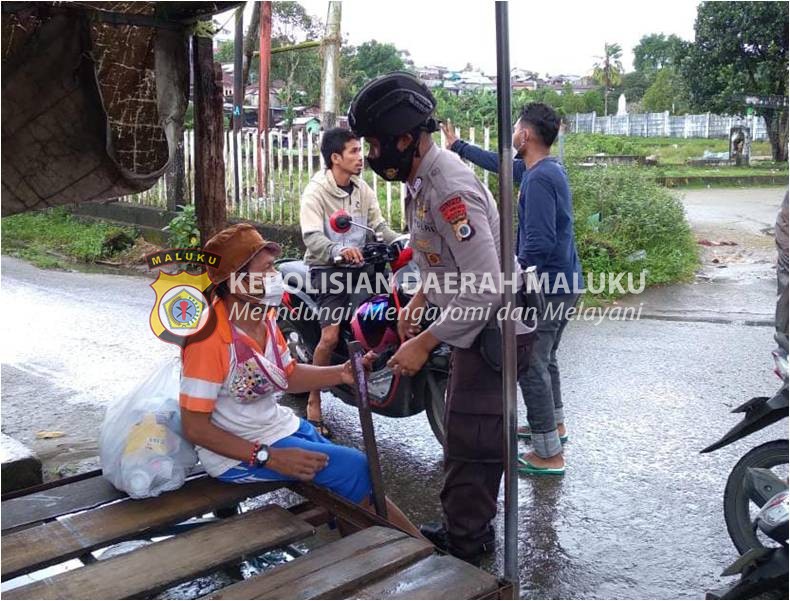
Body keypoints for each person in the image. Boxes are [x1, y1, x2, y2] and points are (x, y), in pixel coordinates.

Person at [348, 71, 534, 564]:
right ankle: (469, 528)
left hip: (496, 326)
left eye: (374, 144)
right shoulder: (422, 181)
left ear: (405, 139)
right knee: (463, 432)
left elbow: (486, 284)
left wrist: (425, 341)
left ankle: (468, 546)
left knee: (471, 440)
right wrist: (419, 300)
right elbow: (443, 258)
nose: (370, 155)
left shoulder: (449, 187)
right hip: (473, 320)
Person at [179, 223, 420, 537]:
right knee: (356, 469)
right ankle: (377, 559)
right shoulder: (208, 339)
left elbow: (286, 375)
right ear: (236, 281)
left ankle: (425, 551)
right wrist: (269, 457)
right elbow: (195, 427)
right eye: (265, 269)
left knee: (362, 480)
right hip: (237, 453)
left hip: (277, 429)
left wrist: (341, 372)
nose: (275, 277)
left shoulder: (262, 317)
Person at [442, 104, 582, 475]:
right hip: (565, 283)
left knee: (531, 364)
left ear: (528, 136)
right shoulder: (542, 169)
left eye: (516, 130)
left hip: (547, 287)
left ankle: (548, 454)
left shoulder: (539, 179)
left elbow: (538, 243)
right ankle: (554, 428)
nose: (513, 136)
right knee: (546, 358)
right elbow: (499, 164)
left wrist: (511, 275)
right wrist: (458, 146)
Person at [300, 127, 400, 437]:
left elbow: (379, 225)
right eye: (354, 152)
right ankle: (314, 399)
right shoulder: (316, 191)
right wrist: (338, 251)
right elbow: (312, 236)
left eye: (360, 150)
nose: (361, 157)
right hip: (327, 267)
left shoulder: (361, 188)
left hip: (364, 264)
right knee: (329, 336)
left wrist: (403, 242)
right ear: (335, 158)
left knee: (396, 311)